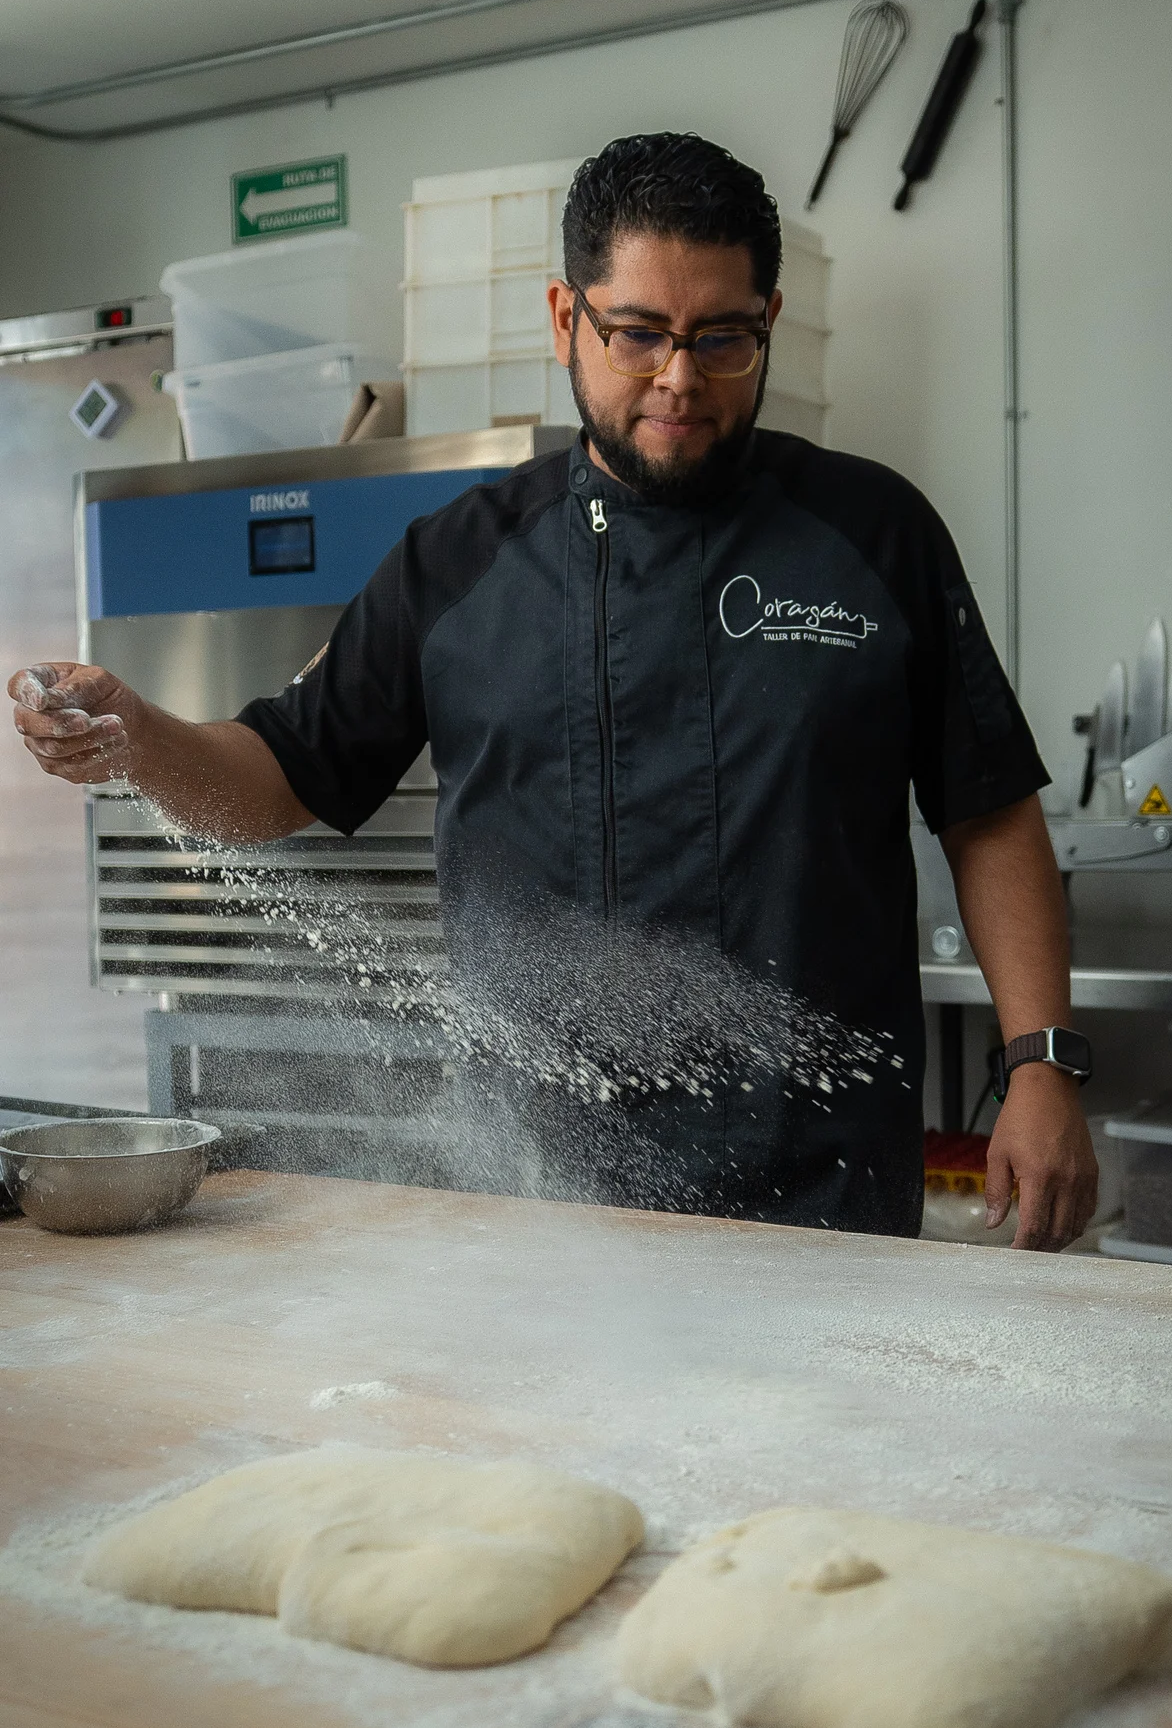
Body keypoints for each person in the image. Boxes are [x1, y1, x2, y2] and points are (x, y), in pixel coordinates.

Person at [8, 131, 1097, 1248]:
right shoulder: (458, 564)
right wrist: (137, 738)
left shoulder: (874, 535)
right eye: (638, 334)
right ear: (563, 317)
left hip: (822, 1195)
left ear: (766, 324)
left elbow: (989, 808)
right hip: (537, 1199)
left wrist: (1040, 1063)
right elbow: (278, 778)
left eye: (721, 338)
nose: (679, 377)